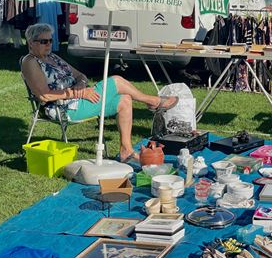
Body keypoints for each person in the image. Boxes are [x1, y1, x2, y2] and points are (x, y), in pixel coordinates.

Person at [21, 23, 178, 162]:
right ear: (31, 43)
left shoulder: (53, 57)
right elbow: (44, 95)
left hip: (77, 98)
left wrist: (81, 85)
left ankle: (126, 151)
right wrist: (79, 93)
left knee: (124, 100)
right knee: (116, 81)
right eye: (43, 41)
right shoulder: (30, 62)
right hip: (63, 108)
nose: (48, 44)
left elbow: (81, 76)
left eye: (50, 40)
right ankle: (154, 102)